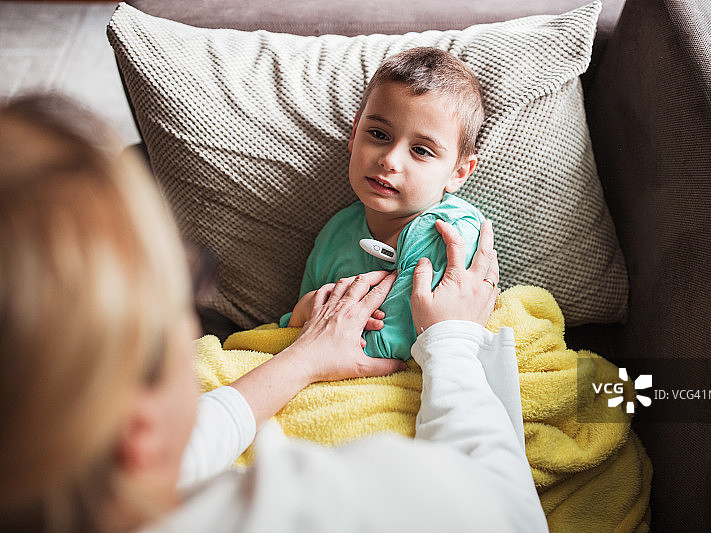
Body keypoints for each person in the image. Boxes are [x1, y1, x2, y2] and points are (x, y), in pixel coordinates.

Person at [0, 94, 548, 533]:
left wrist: (305, 355)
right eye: (180, 288)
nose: (193, 322)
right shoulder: (311, 501)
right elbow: (508, 511)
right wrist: (452, 339)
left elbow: (191, 443)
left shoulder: (61, 479)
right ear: (136, 430)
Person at [281, 47, 487, 361]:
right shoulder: (334, 234)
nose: (389, 160)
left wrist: (324, 327)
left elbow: (403, 340)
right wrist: (305, 310)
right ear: (354, 134)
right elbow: (295, 331)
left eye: (421, 151)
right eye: (378, 134)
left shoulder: (450, 231)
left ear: (458, 174)